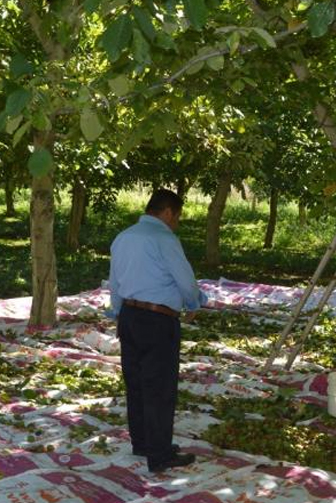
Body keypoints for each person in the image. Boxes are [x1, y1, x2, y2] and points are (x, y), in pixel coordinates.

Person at [107, 189, 205, 474]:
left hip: (129, 315)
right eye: (177, 218)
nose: (176, 224)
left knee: (136, 383)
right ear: (168, 212)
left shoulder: (123, 237)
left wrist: (118, 313)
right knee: (159, 388)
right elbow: (185, 280)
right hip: (158, 320)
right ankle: (160, 455)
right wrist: (192, 303)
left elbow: (115, 282)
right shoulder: (164, 238)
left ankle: (143, 443)